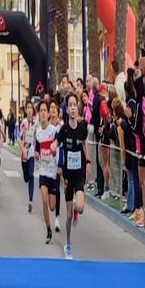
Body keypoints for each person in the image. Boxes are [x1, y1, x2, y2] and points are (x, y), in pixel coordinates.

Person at [59, 93, 88, 256]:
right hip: (68, 177)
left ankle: (78, 210)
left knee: (80, 208)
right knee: (68, 215)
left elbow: (84, 143)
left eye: (74, 105)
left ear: (77, 107)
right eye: (69, 105)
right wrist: (54, 146)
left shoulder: (82, 127)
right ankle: (68, 243)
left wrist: (89, 161)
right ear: (67, 109)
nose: (72, 107)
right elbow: (57, 141)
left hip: (79, 175)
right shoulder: (64, 129)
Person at [35, 97, 61, 242]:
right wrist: (37, 153)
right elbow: (37, 149)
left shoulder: (54, 131)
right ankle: (48, 229)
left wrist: (60, 166)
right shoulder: (38, 132)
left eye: (45, 110)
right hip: (43, 172)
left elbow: (59, 149)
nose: (44, 113)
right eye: (42, 111)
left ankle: (53, 215)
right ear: (39, 114)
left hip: (53, 172)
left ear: (49, 114)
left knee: (52, 206)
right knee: (44, 200)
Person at [19, 103, 36, 213]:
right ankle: (26, 177)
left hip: (32, 153)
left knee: (31, 175)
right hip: (24, 153)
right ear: (26, 110)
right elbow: (19, 139)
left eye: (31, 108)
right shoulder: (23, 123)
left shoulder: (36, 123)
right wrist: (23, 149)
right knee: (26, 178)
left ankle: (30, 200)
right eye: (28, 108)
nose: (29, 110)